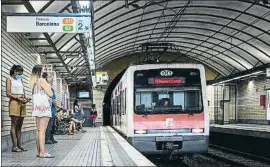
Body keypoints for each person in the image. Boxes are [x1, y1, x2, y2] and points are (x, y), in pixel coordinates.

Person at [29, 65, 54, 158]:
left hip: (37, 107)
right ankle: (43, 153)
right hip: (43, 107)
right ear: (39, 71)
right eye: (44, 69)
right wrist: (49, 83)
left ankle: (39, 152)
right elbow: (50, 94)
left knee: (38, 130)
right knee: (42, 130)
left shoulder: (34, 82)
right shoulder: (42, 80)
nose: (45, 70)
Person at [6, 65, 30, 152]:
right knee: (14, 124)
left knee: (20, 125)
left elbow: (23, 91)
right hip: (14, 102)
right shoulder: (9, 79)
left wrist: (25, 99)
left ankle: (19, 145)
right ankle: (14, 146)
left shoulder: (20, 79)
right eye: (19, 73)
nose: (20, 75)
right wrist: (17, 98)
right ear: (15, 71)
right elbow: (8, 93)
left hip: (22, 102)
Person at [43, 72, 58, 144]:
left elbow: (54, 99)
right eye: (49, 77)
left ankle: (51, 137)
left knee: (53, 125)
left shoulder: (52, 89)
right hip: (47, 109)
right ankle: (47, 138)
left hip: (53, 109)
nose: (50, 78)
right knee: (48, 125)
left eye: (51, 77)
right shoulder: (44, 88)